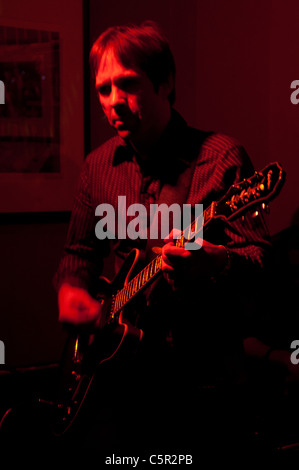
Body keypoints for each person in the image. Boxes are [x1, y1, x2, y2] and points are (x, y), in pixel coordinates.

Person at [54, 21, 272, 457]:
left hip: (203, 382)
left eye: (128, 84)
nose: (113, 101)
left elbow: (262, 262)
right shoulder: (97, 167)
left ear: (166, 82)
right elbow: (79, 253)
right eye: (103, 90)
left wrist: (218, 262)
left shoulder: (219, 157)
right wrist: (71, 290)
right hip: (122, 381)